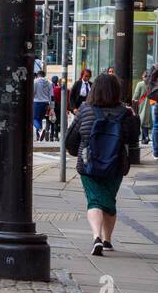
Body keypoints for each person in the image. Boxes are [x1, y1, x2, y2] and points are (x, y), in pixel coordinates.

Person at [65, 73, 141, 256]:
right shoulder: (125, 113)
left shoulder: (85, 110)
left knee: (94, 201)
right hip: (114, 165)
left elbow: (71, 138)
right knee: (108, 201)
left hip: (88, 164)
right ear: (116, 91)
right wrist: (134, 117)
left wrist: (77, 151)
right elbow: (133, 139)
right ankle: (107, 241)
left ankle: (96, 237)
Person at [32, 70, 52, 138]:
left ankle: (40, 130)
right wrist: (51, 106)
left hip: (36, 102)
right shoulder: (49, 83)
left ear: (38, 75)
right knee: (39, 119)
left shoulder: (35, 81)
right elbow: (51, 95)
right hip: (46, 103)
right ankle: (39, 136)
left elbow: (33, 92)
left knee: (33, 119)